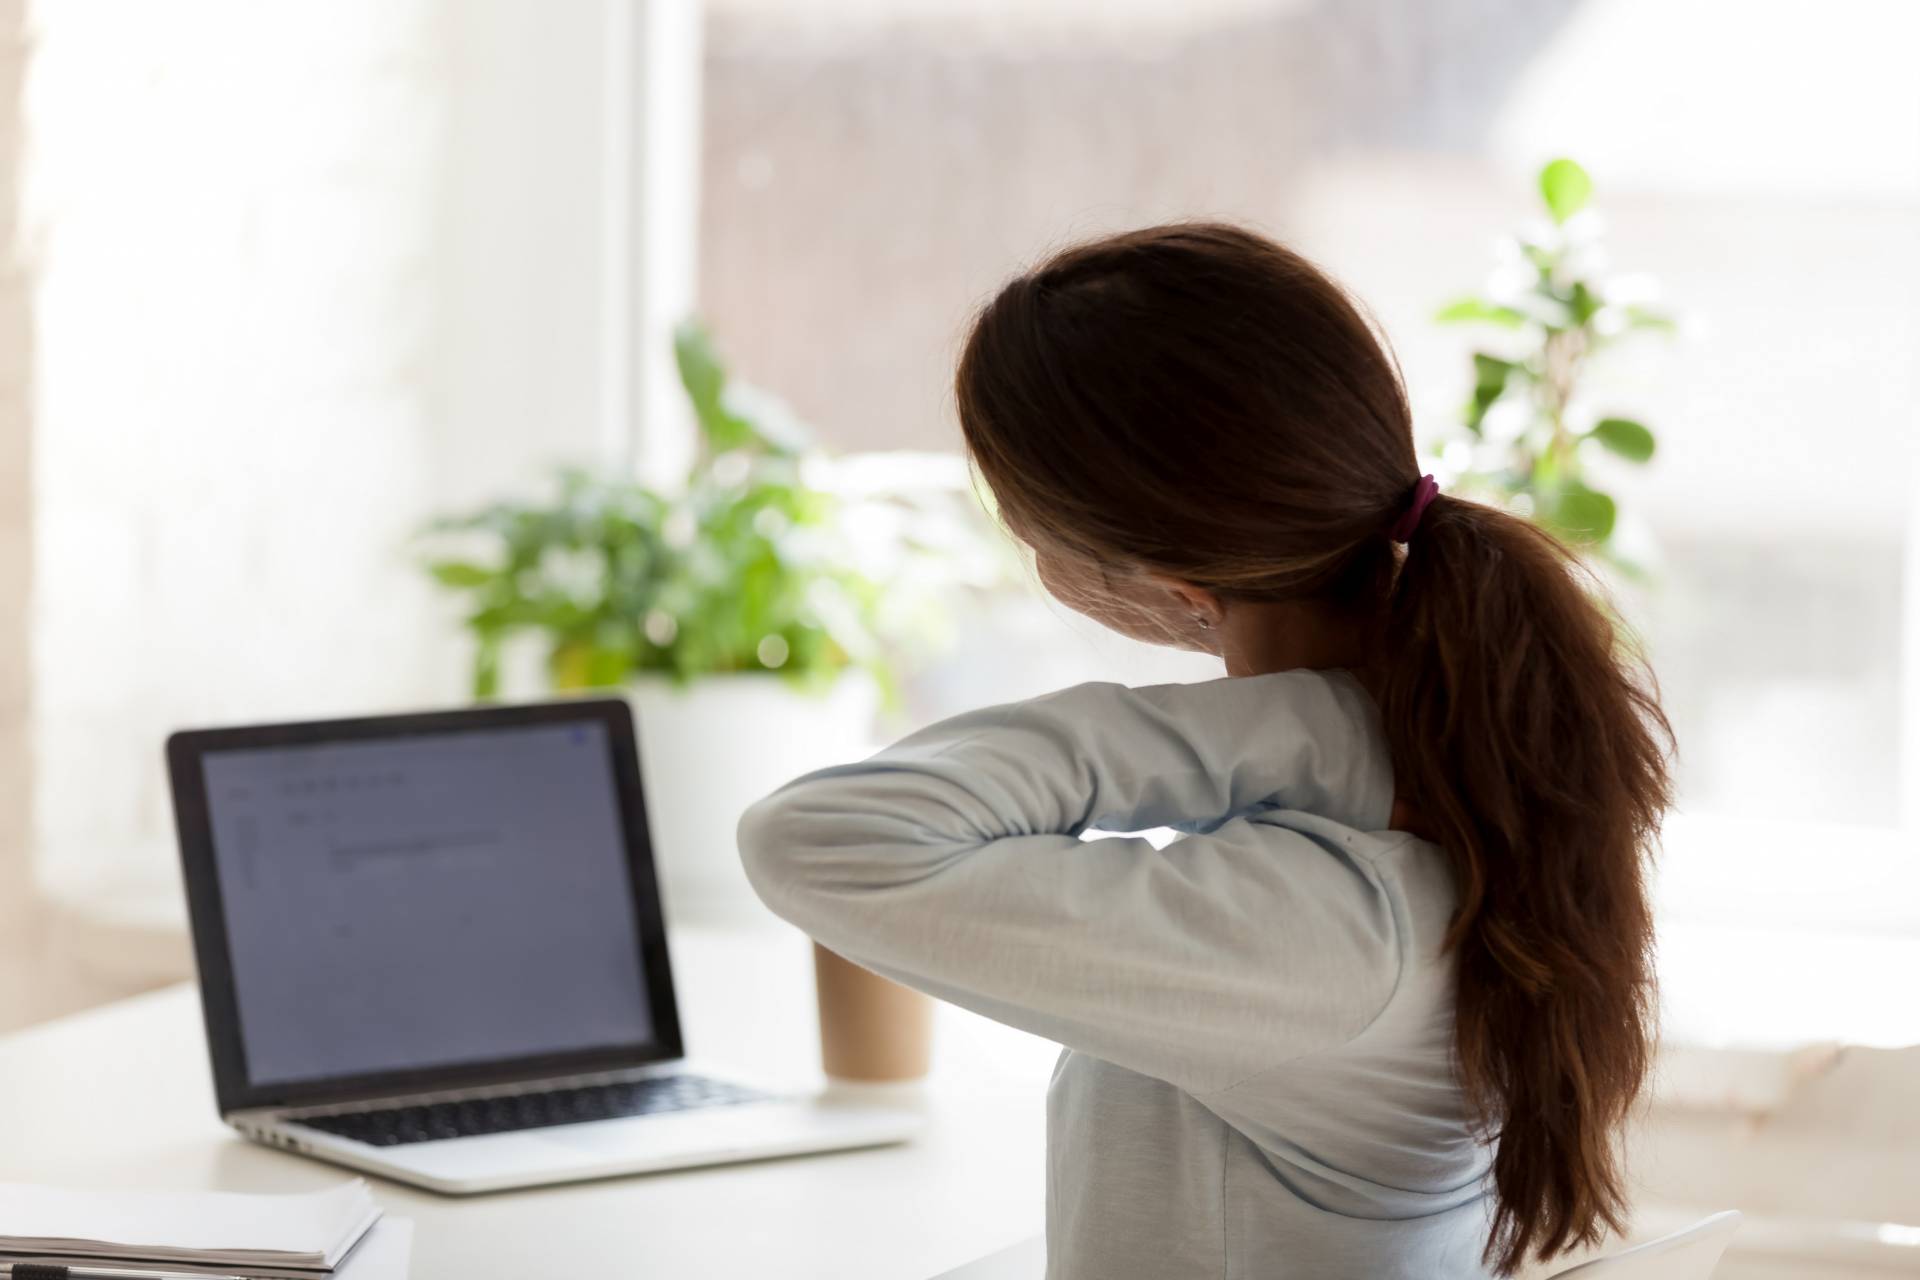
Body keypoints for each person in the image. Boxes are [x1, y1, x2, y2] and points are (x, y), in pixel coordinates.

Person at [738, 223, 1671, 1279]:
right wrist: (1339, 714)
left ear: (1178, 586)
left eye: (1024, 524)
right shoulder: (1432, 811)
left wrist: (1308, 713)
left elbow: (813, 836)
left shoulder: (1331, 923)